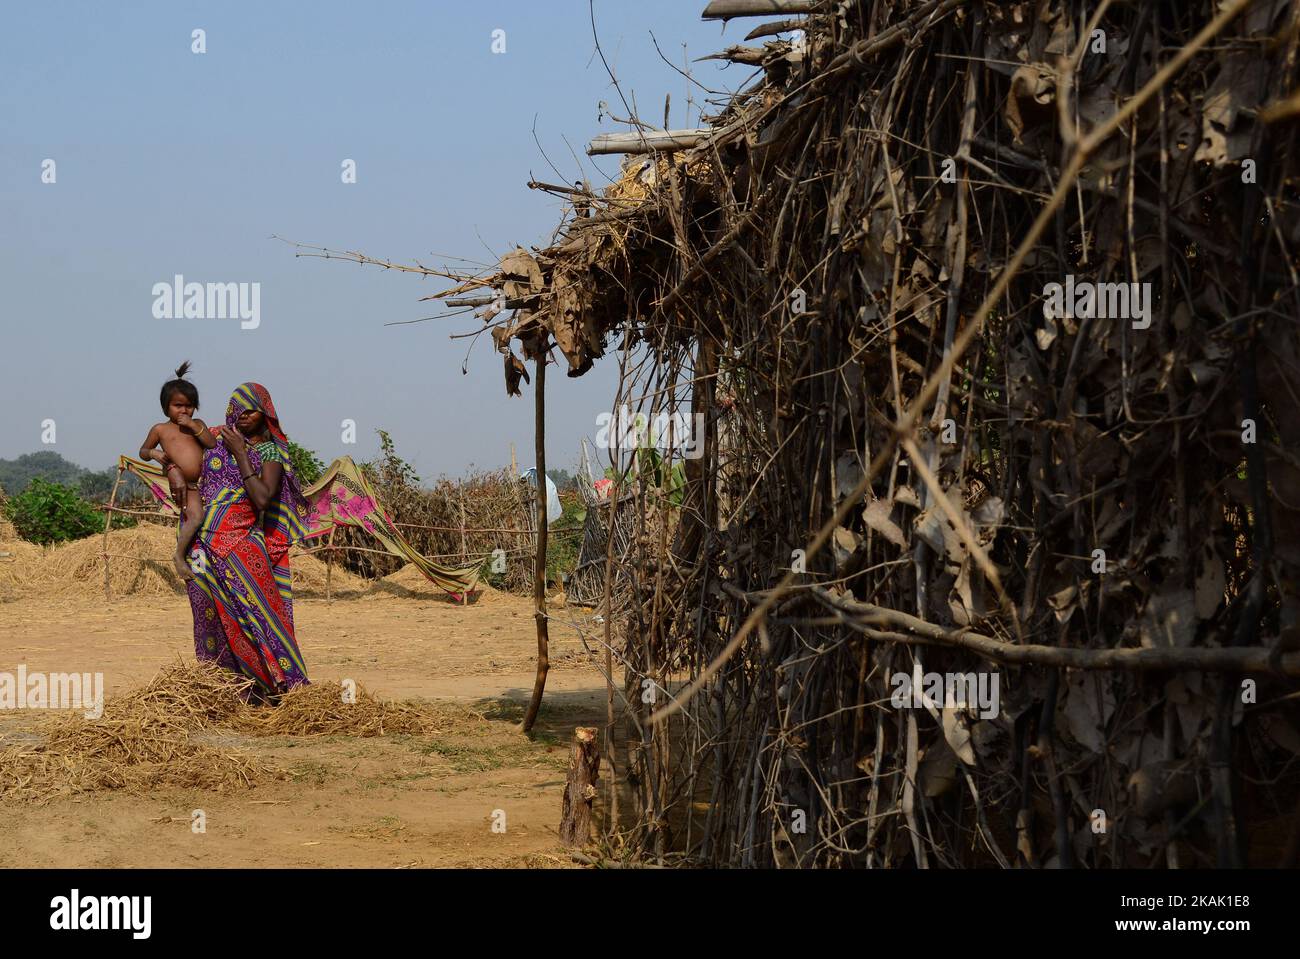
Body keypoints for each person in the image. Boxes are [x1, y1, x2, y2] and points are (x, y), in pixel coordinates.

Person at [186, 382, 310, 700]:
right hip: (202, 547)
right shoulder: (213, 438)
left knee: (263, 617)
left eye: (250, 411)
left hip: (242, 546)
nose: (242, 416)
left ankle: (281, 687)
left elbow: (263, 498)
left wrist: (241, 455)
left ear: (265, 414)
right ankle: (231, 691)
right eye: (236, 409)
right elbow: (181, 453)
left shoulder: (269, 452)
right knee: (211, 619)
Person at [138, 361, 217, 581]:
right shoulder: (161, 429)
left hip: (206, 484)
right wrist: (154, 455)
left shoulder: (197, 424)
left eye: (189, 406)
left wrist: (194, 426)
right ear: (166, 407)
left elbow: (211, 444)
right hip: (186, 487)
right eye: (178, 405)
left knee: (209, 522)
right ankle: (179, 556)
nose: (184, 410)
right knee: (196, 517)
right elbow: (143, 450)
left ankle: (205, 565)